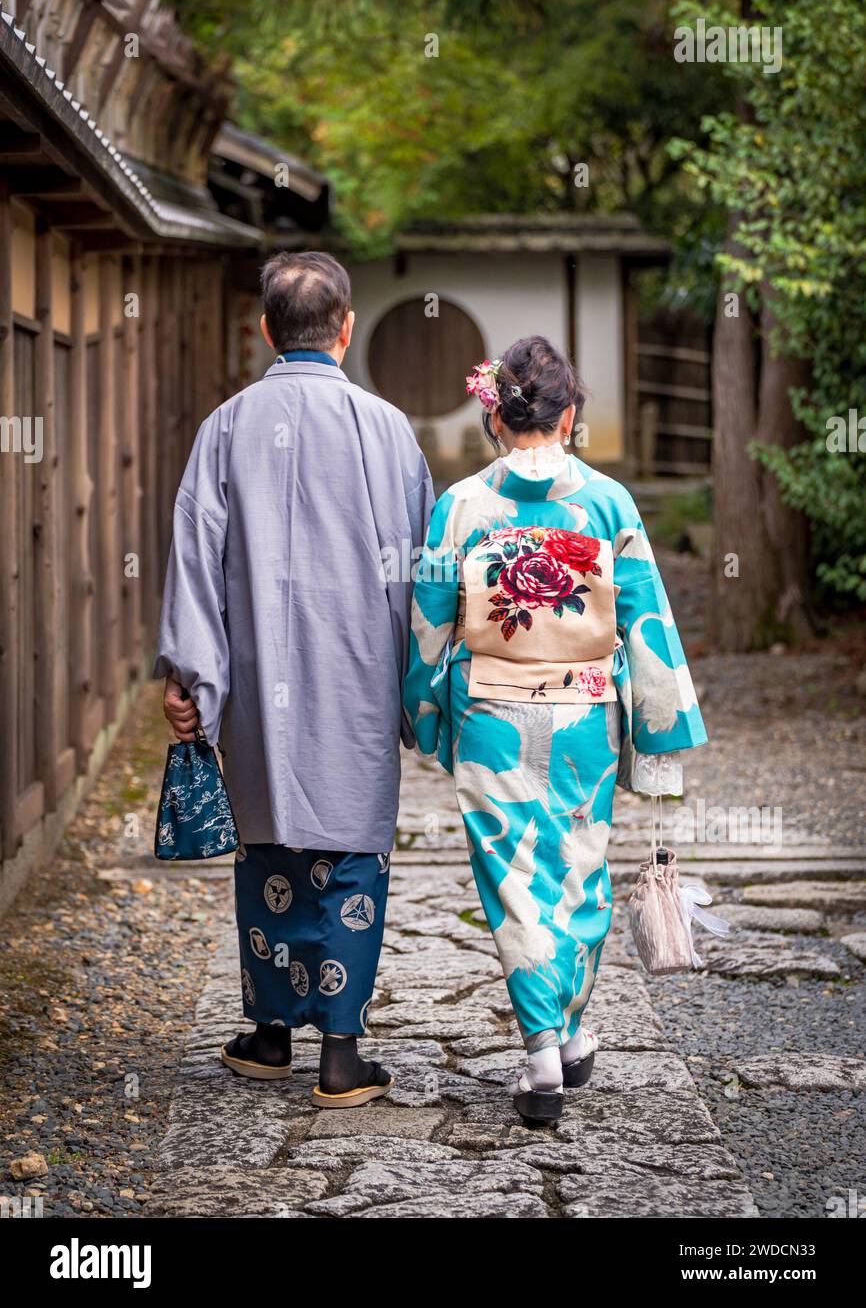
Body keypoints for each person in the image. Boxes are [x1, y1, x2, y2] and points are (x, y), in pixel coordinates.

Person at [154, 250, 433, 1108]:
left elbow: (196, 559)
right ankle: (340, 1053)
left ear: (266, 329)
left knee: (268, 845)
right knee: (350, 850)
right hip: (356, 672)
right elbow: (422, 567)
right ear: (346, 329)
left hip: (259, 674)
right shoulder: (386, 429)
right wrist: (419, 690)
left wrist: (191, 678)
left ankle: (271, 1035)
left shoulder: (228, 426)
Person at [404, 337, 707, 1124]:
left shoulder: (462, 505)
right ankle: (565, 1037)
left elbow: (430, 630)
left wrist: (428, 718)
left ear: (495, 416)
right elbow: (645, 626)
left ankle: (546, 1046)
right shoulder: (609, 504)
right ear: (569, 414)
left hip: (492, 719)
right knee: (579, 868)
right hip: (584, 720)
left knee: (512, 878)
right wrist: (659, 741)